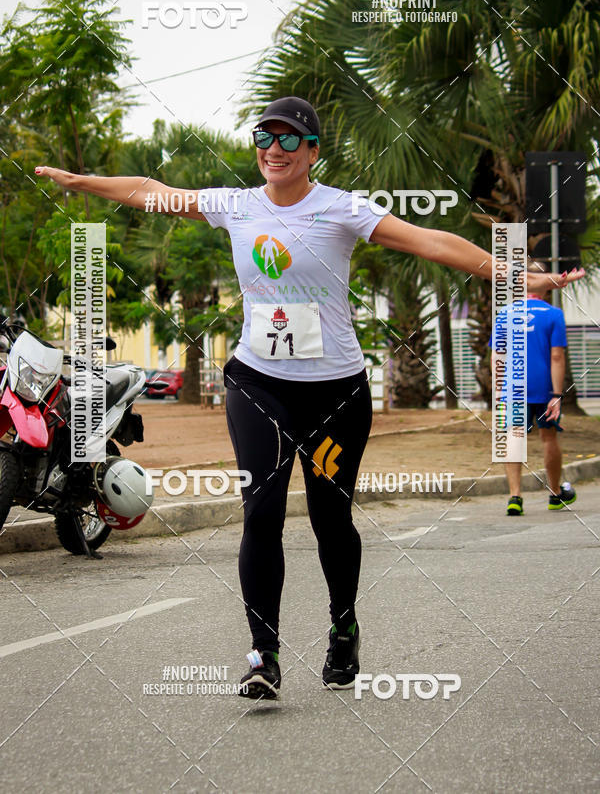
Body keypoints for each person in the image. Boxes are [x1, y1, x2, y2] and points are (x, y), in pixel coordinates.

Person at [35, 96, 584, 699]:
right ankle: (262, 655)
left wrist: (517, 275)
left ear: (314, 151)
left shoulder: (342, 210)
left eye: (289, 139)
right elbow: (150, 190)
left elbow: (431, 242)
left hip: (335, 394)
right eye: (264, 138)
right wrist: (80, 181)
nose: (274, 148)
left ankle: (343, 626)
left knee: (330, 517)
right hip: (257, 384)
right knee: (261, 512)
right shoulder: (235, 206)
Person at [490, 261, 577, 516]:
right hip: (544, 388)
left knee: (515, 437)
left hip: (513, 388)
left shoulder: (505, 313)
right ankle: (555, 493)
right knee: (548, 437)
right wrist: (557, 395)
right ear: (548, 287)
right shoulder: (554, 315)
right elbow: (557, 358)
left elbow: (498, 356)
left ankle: (515, 497)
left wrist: (499, 391)